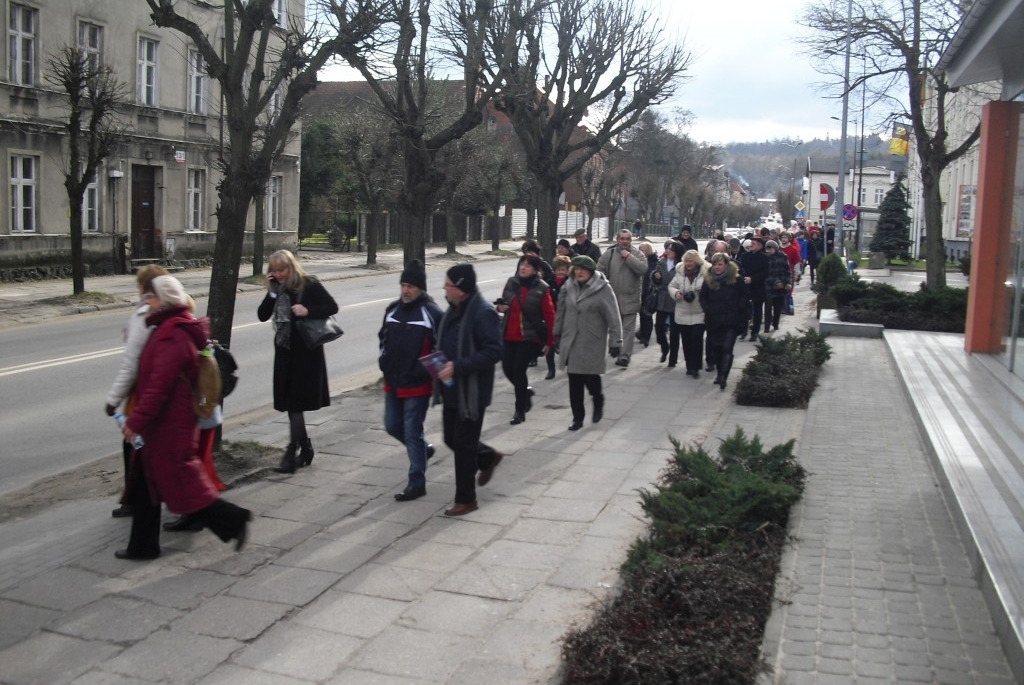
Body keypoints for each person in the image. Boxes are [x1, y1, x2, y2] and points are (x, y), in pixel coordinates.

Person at [117, 276, 251, 560]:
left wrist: (135, 422)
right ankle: (142, 546)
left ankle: (233, 519)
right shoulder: (167, 327)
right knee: (147, 484)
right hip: (164, 423)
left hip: (168, 425)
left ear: (163, 300)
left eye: (150, 298)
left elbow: (158, 387)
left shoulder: (172, 334)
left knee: (182, 483)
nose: (145, 302)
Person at [257, 249, 339, 474]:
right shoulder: (277, 289)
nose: (278, 274)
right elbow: (262, 315)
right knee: (291, 404)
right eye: (273, 270)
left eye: (281, 269)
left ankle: (290, 454)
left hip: (306, 354)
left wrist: (307, 310)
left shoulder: (308, 284)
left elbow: (332, 307)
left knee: (295, 404)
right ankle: (306, 448)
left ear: (291, 267)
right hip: (285, 352)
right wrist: (272, 293)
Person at [435, 264, 504, 517]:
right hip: (452, 387)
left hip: (472, 392)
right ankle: (486, 457)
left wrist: (457, 366)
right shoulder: (453, 310)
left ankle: (466, 499)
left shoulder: (482, 313)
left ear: (461, 289)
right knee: (451, 439)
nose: (444, 288)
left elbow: (494, 351)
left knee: (463, 445)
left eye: (448, 284)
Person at [104, 264, 169, 519]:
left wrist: (113, 399)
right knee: (140, 442)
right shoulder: (167, 308)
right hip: (156, 387)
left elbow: (132, 362)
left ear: (144, 287)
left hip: (143, 388)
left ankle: (138, 499)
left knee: (135, 442)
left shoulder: (145, 313)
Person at [378, 260, 443, 502]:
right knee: (392, 426)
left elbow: (441, 349)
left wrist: (430, 377)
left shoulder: (432, 313)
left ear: (421, 288)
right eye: (403, 285)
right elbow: (383, 339)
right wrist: (384, 361)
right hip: (393, 381)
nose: (406, 290)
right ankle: (424, 451)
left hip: (417, 386)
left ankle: (417, 482)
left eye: (411, 286)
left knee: (412, 431)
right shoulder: (393, 310)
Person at [553, 256, 623, 431]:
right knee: (574, 381)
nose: (579, 272)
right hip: (571, 340)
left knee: (591, 379)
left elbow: (613, 315)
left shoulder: (603, 288)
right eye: (576, 269)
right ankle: (578, 417)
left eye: (583, 269)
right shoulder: (568, 286)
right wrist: (556, 334)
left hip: (592, 341)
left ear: (591, 271)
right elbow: (560, 312)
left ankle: (598, 400)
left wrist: (616, 340)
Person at [496, 255, 555, 425]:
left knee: (518, 370)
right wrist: (501, 307)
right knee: (507, 368)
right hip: (508, 334)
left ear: (536, 270)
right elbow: (502, 304)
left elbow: (550, 315)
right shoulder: (511, 282)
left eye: (528, 266)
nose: (523, 267)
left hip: (528, 337)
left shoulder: (542, 288)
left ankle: (519, 410)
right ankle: (526, 392)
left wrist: (550, 342)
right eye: (522, 264)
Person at [597, 228, 647, 367]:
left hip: (631, 298)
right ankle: (615, 347)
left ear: (631, 240)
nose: (624, 241)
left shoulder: (637, 254)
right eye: (622, 238)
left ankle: (624, 356)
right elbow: (599, 272)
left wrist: (628, 257)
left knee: (628, 329)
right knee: (614, 327)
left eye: (627, 239)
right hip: (612, 298)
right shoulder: (610, 254)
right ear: (617, 240)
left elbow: (642, 269)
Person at [700, 254, 748, 390]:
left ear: (726, 265)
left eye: (720, 264)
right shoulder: (708, 279)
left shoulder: (736, 279)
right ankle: (720, 372)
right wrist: (708, 309)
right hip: (714, 321)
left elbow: (744, 295)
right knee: (717, 349)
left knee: (727, 347)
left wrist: (739, 308)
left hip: (731, 320)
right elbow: (703, 298)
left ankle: (723, 376)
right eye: (715, 264)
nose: (717, 267)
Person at [667, 250, 707, 376]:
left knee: (697, 338)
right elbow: (671, 286)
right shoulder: (679, 272)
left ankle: (696, 366)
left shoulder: (705, 273)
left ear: (696, 262)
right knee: (686, 340)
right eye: (686, 261)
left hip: (699, 312)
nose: (688, 264)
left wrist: (703, 290)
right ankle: (689, 366)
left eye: (691, 261)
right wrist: (676, 293)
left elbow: (712, 287)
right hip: (682, 312)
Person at [651, 241, 683, 362]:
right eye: (668, 249)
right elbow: (654, 279)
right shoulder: (662, 262)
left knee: (675, 332)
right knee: (659, 328)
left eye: (671, 250)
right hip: (662, 298)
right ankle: (665, 347)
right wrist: (655, 276)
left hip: (675, 300)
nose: (668, 251)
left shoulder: (681, 264)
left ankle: (673, 358)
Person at [545, 255, 573, 379]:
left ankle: (568, 362)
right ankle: (551, 369)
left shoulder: (571, 283)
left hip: (567, 317)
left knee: (566, 342)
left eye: (564, 270)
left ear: (568, 270)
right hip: (552, 317)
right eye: (558, 270)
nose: (561, 272)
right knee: (549, 343)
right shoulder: (549, 283)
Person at [737, 237, 768, 341]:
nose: (751, 245)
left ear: (759, 246)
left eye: (754, 244)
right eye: (751, 243)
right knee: (743, 309)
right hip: (745, 286)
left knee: (757, 311)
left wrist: (753, 278)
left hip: (758, 287)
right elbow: (740, 268)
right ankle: (743, 331)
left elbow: (765, 273)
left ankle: (755, 332)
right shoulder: (745, 256)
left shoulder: (764, 257)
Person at [763, 240, 791, 332]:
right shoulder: (766, 258)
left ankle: (775, 323)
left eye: (770, 248)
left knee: (778, 307)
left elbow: (787, 271)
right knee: (768, 307)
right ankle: (766, 326)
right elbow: (764, 272)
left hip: (780, 285)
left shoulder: (783, 257)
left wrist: (787, 282)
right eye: (767, 248)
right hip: (769, 285)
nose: (769, 250)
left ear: (775, 248)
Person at [636, 242, 659, 348]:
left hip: (649, 292)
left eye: (643, 250)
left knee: (647, 315)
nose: (641, 251)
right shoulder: (638, 260)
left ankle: (646, 337)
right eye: (639, 249)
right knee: (641, 314)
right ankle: (642, 333)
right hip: (640, 290)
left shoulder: (654, 262)